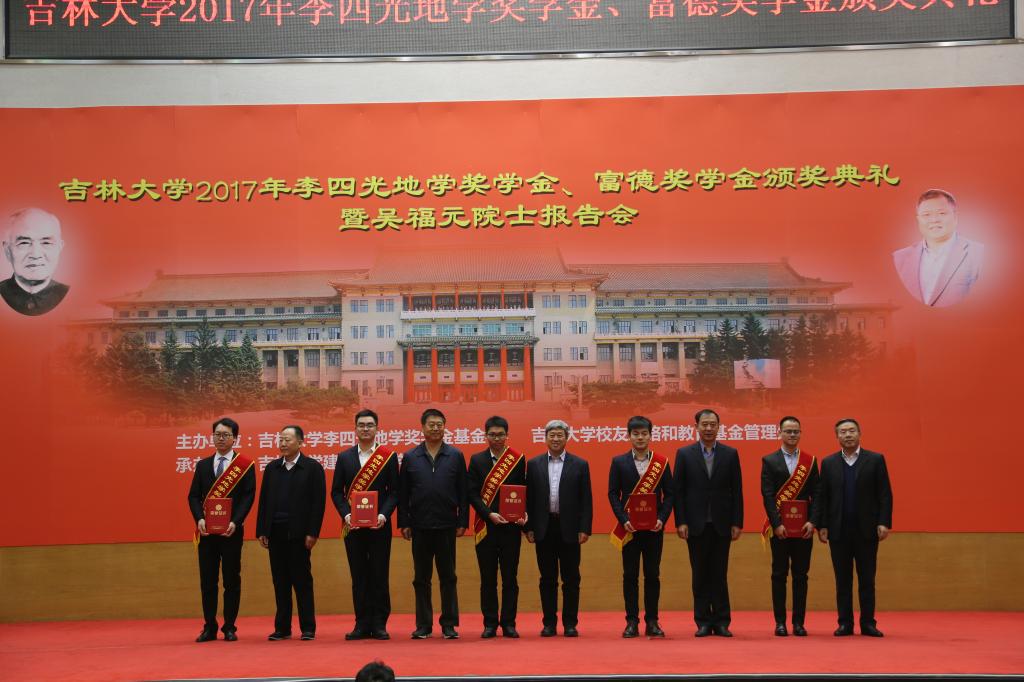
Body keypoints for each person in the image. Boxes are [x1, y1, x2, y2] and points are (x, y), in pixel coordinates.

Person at [813, 418, 893, 637]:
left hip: (867, 529)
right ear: (837, 436)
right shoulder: (828, 463)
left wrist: (884, 522)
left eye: (851, 431)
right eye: (843, 432)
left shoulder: (875, 460)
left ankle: (868, 623)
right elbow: (823, 497)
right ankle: (845, 623)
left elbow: (884, 494)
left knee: (867, 579)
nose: (847, 435)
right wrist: (822, 525)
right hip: (838, 530)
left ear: (859, 434)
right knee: (843, 580)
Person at [398, 408, 469, 640]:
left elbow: (463, 491)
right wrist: (404, 522)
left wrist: (462, 520)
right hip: (419, 526)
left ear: (445, 427)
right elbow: (403, 493)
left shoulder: (455, 455)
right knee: (421, 578)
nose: (436, 428)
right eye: (431, 424)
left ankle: (449, 624)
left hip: (447, 525)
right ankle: (423, 625)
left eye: (440, 424)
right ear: (423, 427)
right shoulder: (411, 456)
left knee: (448, 577)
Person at [673, 408, 743, 638]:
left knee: (719, 574)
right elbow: (678, 491)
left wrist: (737, 522)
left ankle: (722, 621)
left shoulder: (730, 454)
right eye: (704, 424)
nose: (709, 428)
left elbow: (737, 490)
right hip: (695, 524)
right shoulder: (684, 454)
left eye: (713, 424)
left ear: (719, 427)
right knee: (700, 573)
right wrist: (681, 521)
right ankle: (702, 621)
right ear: (696, 427)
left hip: (722, 523)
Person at [331, 409, 399, 641]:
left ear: (377, 428)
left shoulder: (387, 457)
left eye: (370, 425)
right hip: (353, 527)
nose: (366, 428)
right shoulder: (344, 457)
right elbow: (336, 492)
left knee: (379, 574)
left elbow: (395, 492)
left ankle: (379, 624)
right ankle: (361, 624)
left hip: (379, 527)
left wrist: (383, 515)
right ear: (355, 429)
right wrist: (346, 515)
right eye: (361, 425)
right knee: (359, 575)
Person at [186, 417, 256, 642]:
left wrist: (236, 521)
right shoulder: (203, 465)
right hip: (207, 533)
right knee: (208, 581)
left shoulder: (244, 466)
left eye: (226, 435)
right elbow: (193, 496)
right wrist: (199, 518)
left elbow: (248, 497)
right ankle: (209, 626)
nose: (221, 439)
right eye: (217, 434)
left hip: (231, 532)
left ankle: (229, 627)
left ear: (235, 438)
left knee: (231, 580)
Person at [256, 425, 327, 641]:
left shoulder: (312, 468)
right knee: (280, 581)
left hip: (299, 533)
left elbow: (318, 504)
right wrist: (262, 530)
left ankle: (308, 627)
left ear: (300, 442)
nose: (283, 443)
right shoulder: (272, 468)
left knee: (302, 581)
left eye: (287, 439)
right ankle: (282, 628)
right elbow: (264, 501)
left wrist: (313, 532)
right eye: (281, 439)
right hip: (275, 532)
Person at [525, 419, 593, 637]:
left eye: (560, 435)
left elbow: (586, 500)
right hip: (543, 528)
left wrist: (585, 528)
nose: (555, 439)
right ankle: (549, 623)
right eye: (552, 435)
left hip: (570, 528)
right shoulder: (533, 464)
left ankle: (570, 623)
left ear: (567, 438)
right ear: (545, 438)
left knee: (571, 578)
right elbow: (529, 499)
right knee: (547, 579)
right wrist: (528, 527)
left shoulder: (580, 464)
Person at [608, 415, 673, 638]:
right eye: (635, 434)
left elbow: (670, 494)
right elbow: (613, 494)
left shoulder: (661, 463)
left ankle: (652, 621)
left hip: (654, 529)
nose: (640, 437)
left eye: (644, 433)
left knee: (653, 575)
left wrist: (662, 519)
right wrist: (623, 519)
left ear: (650, 435)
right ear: (629, 436)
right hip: (630, 530)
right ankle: (631, 621)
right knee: (630, 575)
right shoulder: (619, 462)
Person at [467, 415, 528, 639]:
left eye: (500, 434)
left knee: (510, 578)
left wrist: (524, 513)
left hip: (511, 529)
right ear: (486, 436)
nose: (496, 438)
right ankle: (490, 624)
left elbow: (523, 489)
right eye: (492, 435)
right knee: (488, 579)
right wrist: (489, 514)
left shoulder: (517, 459)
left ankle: (509, 623)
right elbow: (472, 494)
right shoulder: (477, 460)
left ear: (507, 435)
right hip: (486, 527)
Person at [759, 416, 819, 637]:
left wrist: (812, 521)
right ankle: (780, 623)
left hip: (804, 529)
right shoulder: (769, 460)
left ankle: (799, 623)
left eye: (796, 431)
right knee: (779, 575)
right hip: (780, 530)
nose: (792, 435)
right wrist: (776, 524)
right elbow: (767, 495)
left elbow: (817, 494)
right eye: (788, 431)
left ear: (800, 433)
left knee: (801, 575)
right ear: (780, 433)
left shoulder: (810, 462)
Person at [892, 188, 984, 307]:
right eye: (926, 215)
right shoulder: (899, 258)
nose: (934, 220)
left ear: (955, 216)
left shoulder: (979, 254)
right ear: (918, 219)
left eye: (942, 213)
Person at [1, 208, 69, 316]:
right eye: (24, 243)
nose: (35, 254)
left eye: (46, 243)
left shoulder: (72, 295)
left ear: (59, 248)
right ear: (7, 251)